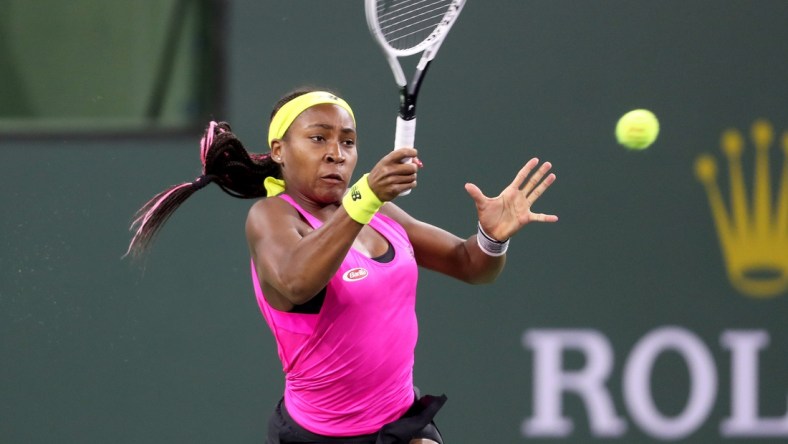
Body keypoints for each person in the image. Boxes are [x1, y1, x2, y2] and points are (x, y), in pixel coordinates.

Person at [126, 88, 558, 443]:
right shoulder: (273, 217)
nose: (336, 153)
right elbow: (294, 283)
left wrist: (492, 237)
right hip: (318, 436)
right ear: (279, 150)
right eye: (318, 139)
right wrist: (365, 196)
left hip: (399, 424)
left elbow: (469, 265)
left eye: (347, 142)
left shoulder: (381, 216)